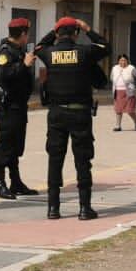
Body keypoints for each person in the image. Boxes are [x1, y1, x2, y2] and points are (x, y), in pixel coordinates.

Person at [34, 16, 110, 220]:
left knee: (55, 160)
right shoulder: (84, 52)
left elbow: (39, 46)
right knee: (82, 160)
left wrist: (54, 31)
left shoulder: (49, 53)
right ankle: (85, 208)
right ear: (76, 33)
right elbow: (106, 47)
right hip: (80, 113)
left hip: (56, 114)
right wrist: (88, 29)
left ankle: (53, 208)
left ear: (58, 34)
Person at [0, 17, 40, 200]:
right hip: (8, 105)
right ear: (22, 34)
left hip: (19, 104)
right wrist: (24, 65)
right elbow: (4, 75)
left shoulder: (19, 50)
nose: (28, 38)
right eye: (27, 34)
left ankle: (16, 182)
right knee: (5, 143)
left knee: (16, 144)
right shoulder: (4, 52)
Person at [109, 54, 136, 131]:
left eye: (124, 60)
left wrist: (132, 85)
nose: (123, 62)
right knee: (118, 110)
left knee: (130, 110)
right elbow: (111, 78)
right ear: (118, 61)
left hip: (128, 92)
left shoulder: (131, 68)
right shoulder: (115, 68)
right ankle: (118, 126)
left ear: (127, 61)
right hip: (118, 91)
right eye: (121, 60)